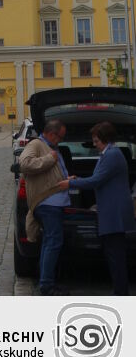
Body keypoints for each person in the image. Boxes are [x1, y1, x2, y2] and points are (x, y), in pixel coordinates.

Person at [58, 121, 136, 295]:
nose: (94, 144)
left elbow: (96, 181)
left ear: (105, 139)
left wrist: (70, 183)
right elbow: (97, 177)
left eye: (96, 140)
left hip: (114, 213)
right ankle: (119, 291)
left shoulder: (112, 155)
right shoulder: (108, 154)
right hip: (110, 212)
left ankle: (121, 294)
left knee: (116, 257)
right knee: (113, 255)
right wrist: (78, 178)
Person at [18, 119, 69, 295]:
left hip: (54, 202)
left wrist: (68, 180)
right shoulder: (37, 144)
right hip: (48, 203)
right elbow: (24, 164)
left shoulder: (52, 148)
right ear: (51, 134)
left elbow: (52, 175)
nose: (60, 141)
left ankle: (46, 281)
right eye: (60, 137)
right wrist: (49, 159)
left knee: (50, 243)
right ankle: (47, 285)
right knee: (53, 243)